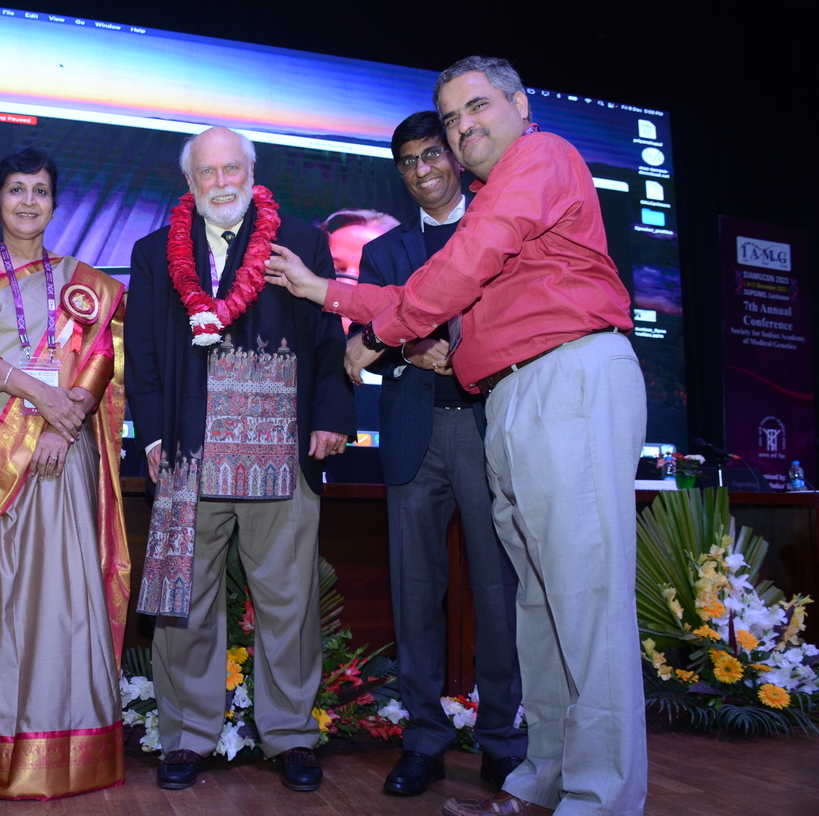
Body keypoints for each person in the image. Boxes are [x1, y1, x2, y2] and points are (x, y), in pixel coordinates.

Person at [265, 57, 647, 816]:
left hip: (566, 377)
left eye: (477, 107)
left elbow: (458, 270)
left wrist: (375, 337)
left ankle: (601, 797)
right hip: (513, 395)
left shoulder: (540, 156)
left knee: (584, 600)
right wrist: (327, 291)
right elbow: (427, 289)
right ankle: (544, 780)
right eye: (451, 116)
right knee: (541, 605)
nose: (463, 126)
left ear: (519, 104)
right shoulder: (491, 202)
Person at [126, 126, 354, 793]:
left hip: (282, 450)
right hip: (189, 451)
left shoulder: (301, 241)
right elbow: (142, 353)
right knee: (185, 605)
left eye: (232, 169)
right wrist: (153, 437)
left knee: (289, 603)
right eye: (208, 172)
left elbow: (329, 334)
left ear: (251, 174)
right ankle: (187, 737)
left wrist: (332, 415)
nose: (221, 182)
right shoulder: (152, 252)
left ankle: (290, 736)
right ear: (190, 181)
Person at [0, 147, 130, 800]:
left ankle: (63, 742)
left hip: (58, 451)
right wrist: (37, 392)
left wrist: (58, 423)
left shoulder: (80, 282)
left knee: (61, 592)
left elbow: (98, 355)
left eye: (39, 191)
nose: (27, 201)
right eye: (15, 190)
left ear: (53, 204)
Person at [346, 112, 525, 798]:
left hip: (486, 430)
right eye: (408, 161)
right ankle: (423, 740)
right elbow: (368, 340)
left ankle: (504, 741)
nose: (422, 170)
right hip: (414, 434)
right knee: (415, 593)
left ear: (455, 157)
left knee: (498, 593)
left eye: (431, 155)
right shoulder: (383, 253)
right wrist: (408, 349)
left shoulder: (499, 230)